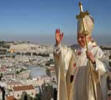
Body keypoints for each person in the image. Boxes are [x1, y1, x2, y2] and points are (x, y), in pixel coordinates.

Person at [53, 2, 109, 100]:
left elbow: (105, 70)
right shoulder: (74, 49)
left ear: (89, 36)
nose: (79, 39)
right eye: (78, 36)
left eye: (82, 37)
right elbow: (62, 54)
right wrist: (58, 44)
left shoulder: (97, 51)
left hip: (89, 93)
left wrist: (94, 61)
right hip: (74, 91)